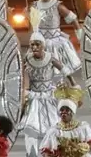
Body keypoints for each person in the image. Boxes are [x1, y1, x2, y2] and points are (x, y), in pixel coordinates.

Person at [20, 14, 73, 157]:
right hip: (34, 96)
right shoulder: (27, 59)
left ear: (43, 45)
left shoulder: (50, 58)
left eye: (38, 44)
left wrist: (73, 85)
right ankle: (31, 154)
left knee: (53, 126)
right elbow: (24, 78)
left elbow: (64, 70)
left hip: (50, 95)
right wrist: (24, 94)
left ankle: (52, 151)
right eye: (32, 45)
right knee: (31, 127)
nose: (35, 47)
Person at [27, 0, 80, 70]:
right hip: (39, 41)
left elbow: (72, 18)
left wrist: (79, 32)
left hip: (55, 41)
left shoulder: (57, 5)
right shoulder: (34, 6)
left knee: (58, 68)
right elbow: (32, 22)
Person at [38, 87, 91, 155]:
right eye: (61, 110)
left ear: (72, 112)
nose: (64, 112)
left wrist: (82, 147)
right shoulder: (54, 131)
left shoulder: (82, 128)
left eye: (67, 110)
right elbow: (46, 151)